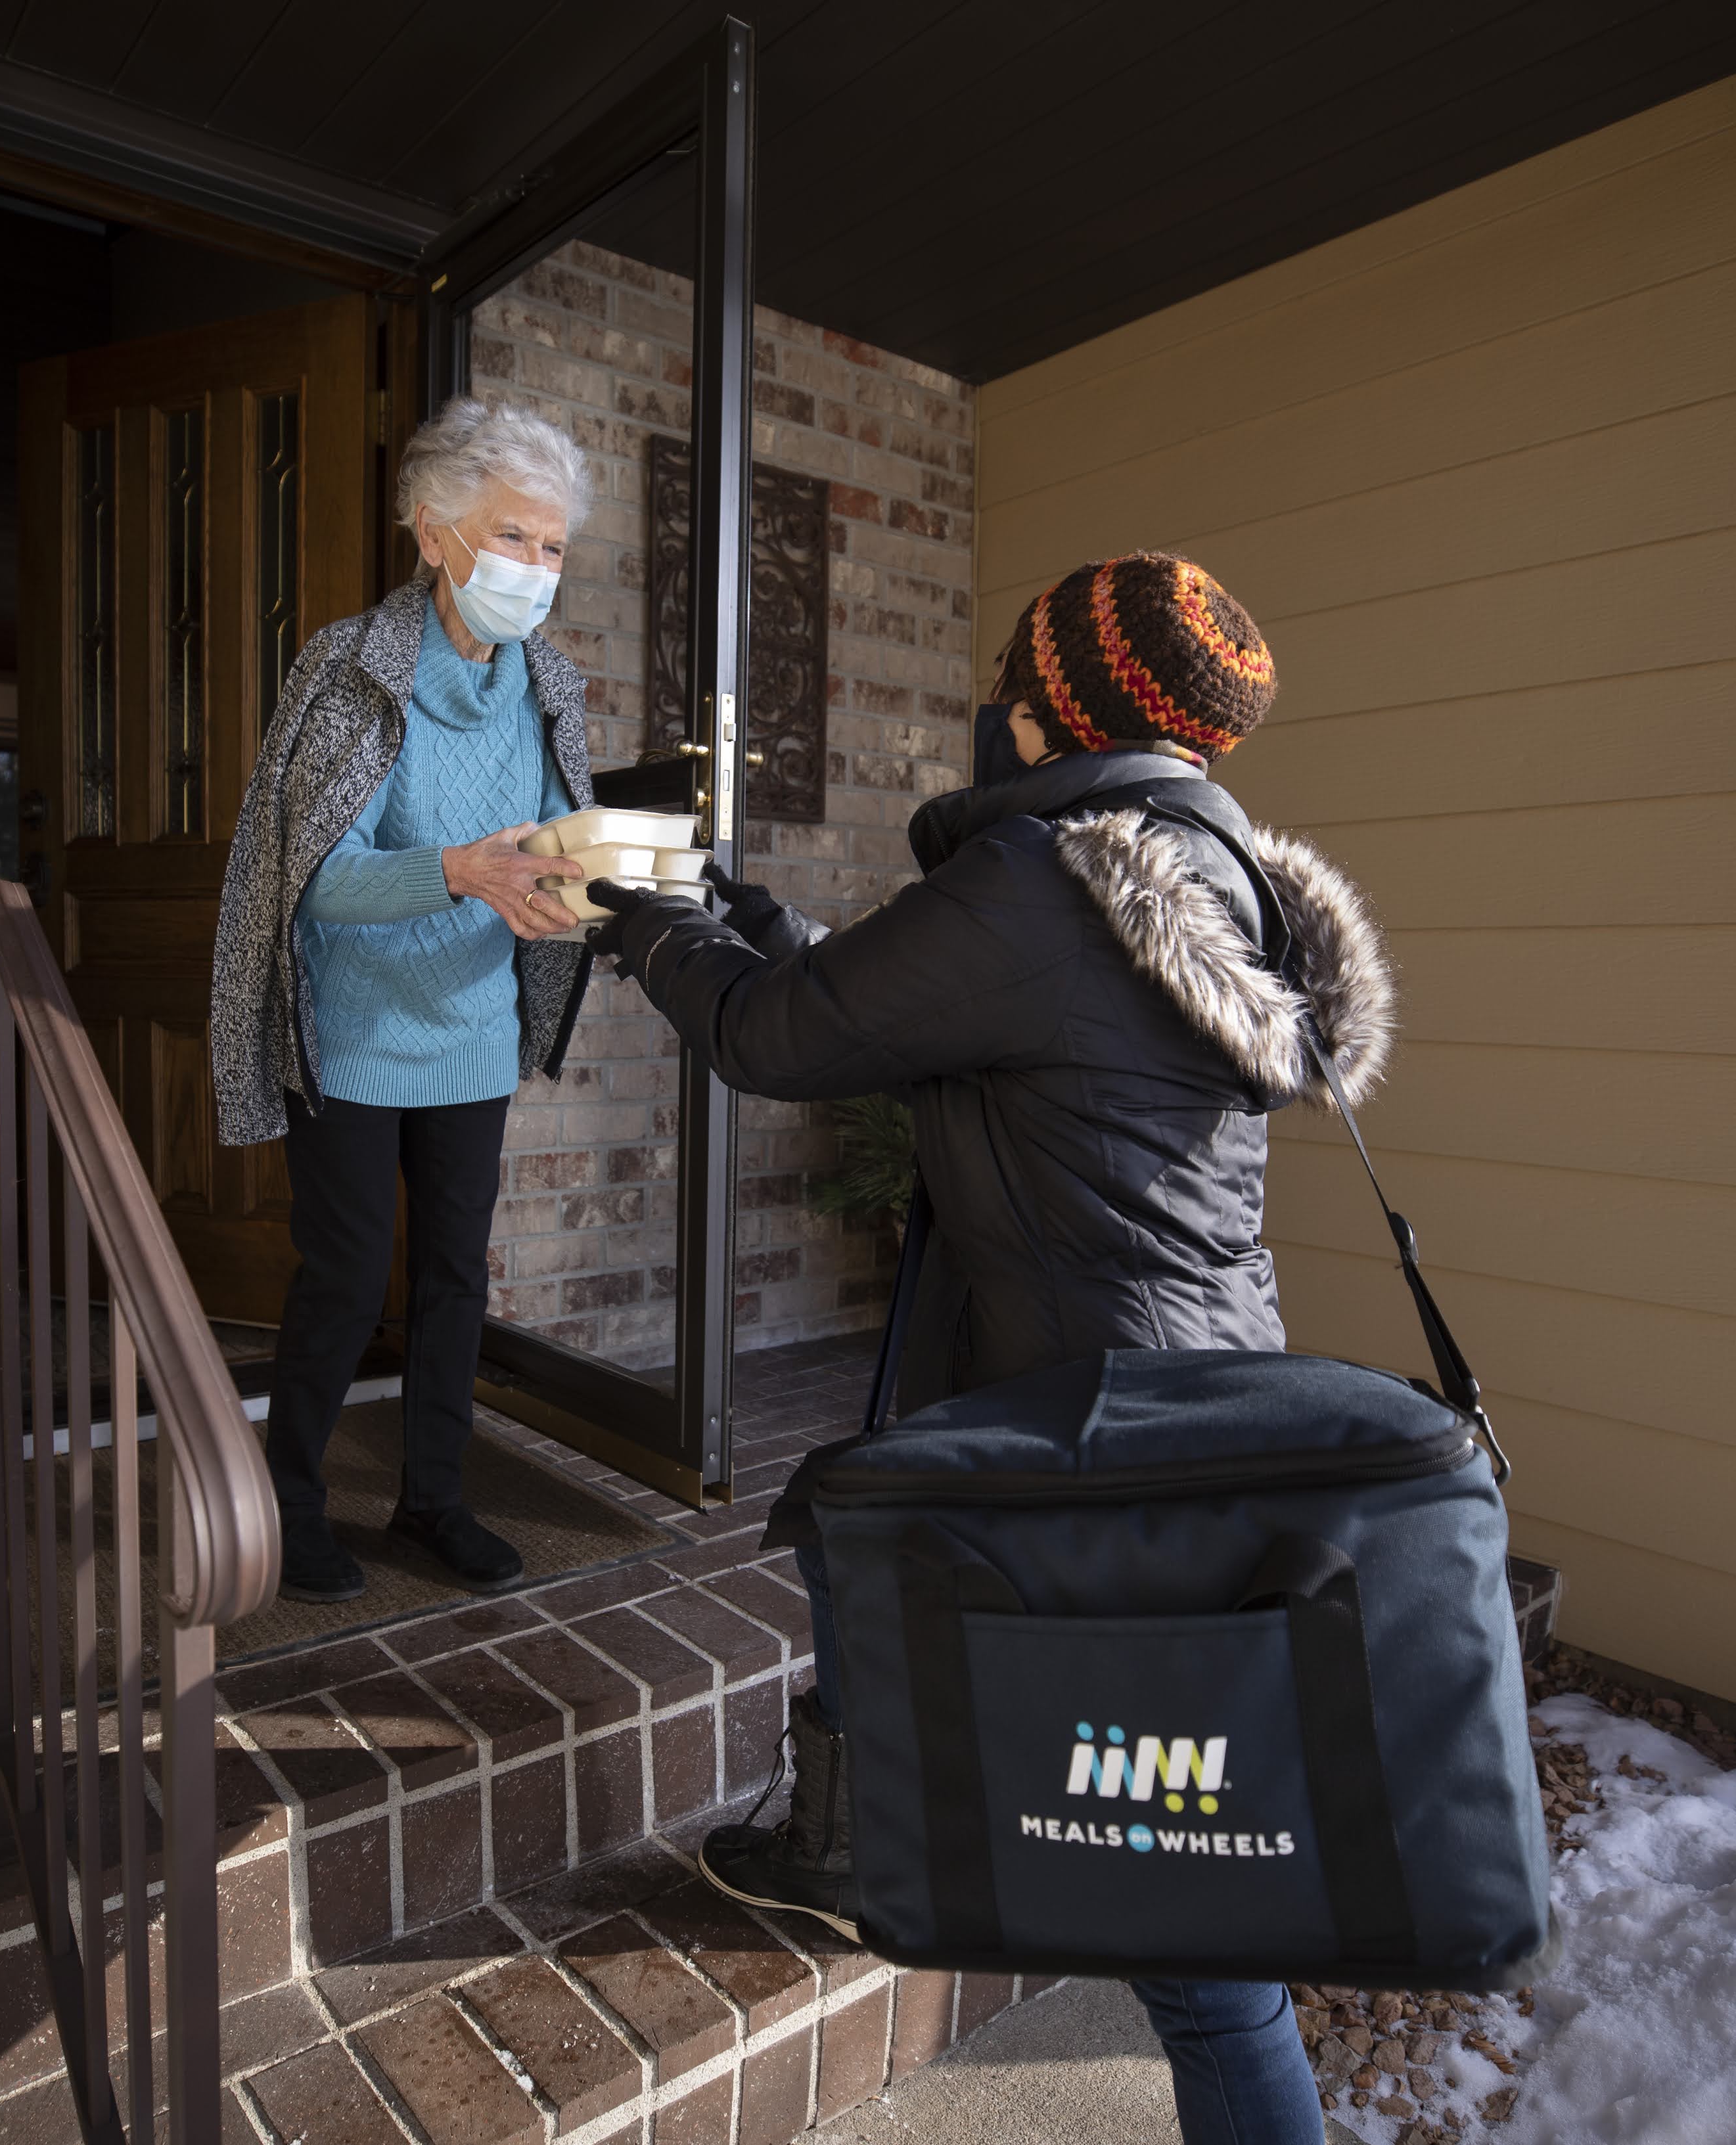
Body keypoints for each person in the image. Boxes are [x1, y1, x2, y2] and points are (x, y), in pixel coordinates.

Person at [585, 552, 1392, 2145]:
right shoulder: (1168, 876)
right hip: (1170, 1394)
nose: (992, 707)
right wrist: (749, 916)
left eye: (1012, 680)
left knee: (1203, 1959)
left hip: (1103, 1429)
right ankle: (881, 1830)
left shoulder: (1043, 886)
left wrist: (650, 920)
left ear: (1052, 708)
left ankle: (911, 1834)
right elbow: (921, 1007)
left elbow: (777, 1034)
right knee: (851, 1525)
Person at [210, 397, 599, 1604]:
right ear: (433, 533)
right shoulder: (346, 668)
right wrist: (454, 869)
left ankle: (433, 1497)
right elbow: (308, 881)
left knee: (452, 1276)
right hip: (358, 1028)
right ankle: (285, 1501)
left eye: (553, 547)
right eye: (513, 538)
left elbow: (543, 841)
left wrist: (570, 885)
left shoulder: (550, 681)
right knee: (342, 1273)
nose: (535, 570)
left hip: (473, 1029)